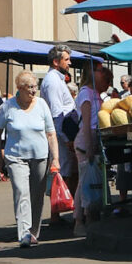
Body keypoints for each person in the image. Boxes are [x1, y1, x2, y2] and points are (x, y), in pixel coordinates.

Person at [0, 71, 59, 247]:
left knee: (37, 195)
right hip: (15, 157)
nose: (34, 91)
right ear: (20, 88)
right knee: (21, 192)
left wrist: (56, 159)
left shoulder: (42, 105)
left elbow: (51, 133)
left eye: (35, 87)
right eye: (30, 87)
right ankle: (24, 233)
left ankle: (33, 232)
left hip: (40, 156)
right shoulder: (8, 107)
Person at [39, 45, 77, 213]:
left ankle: (60, 210)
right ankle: (57, 211)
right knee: (62, 173)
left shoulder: (57, 79)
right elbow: (56, 114)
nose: (69, 63)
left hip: (63, 132)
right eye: (66, 60)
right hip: (61, 134)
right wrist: (65, 138)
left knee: (63, 172)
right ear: (56, 62)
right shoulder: (53, 82)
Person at [74, 60, 110, 233]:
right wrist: (89, 147)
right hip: (86, 140)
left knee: (92, 181)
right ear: (91, 72)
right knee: (84, 182)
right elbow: (87, 123)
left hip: (96, 140)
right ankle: (79, 221)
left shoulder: (96, 93)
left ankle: (90, 218)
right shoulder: (85, 93)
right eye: (100, 70)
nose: (102, 73)